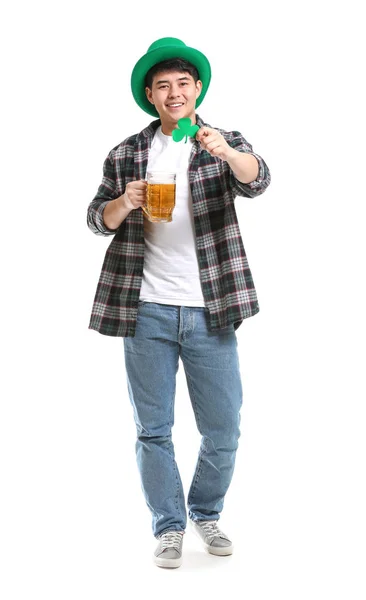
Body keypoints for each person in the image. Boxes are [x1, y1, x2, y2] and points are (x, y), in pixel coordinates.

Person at [87, 37, 271, 569]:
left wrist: (228, 153)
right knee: (153, 427)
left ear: (196, 90)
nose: (174, 92)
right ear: (151, 94)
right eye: (163, 85)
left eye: (182, 84)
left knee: (223, 427)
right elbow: (98, 219)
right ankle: (169, 527)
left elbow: (258, 180)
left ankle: (206, 511)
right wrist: (125, 200)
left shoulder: (221, 139)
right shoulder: (127, 152)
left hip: (211, 307)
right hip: (145, 308)